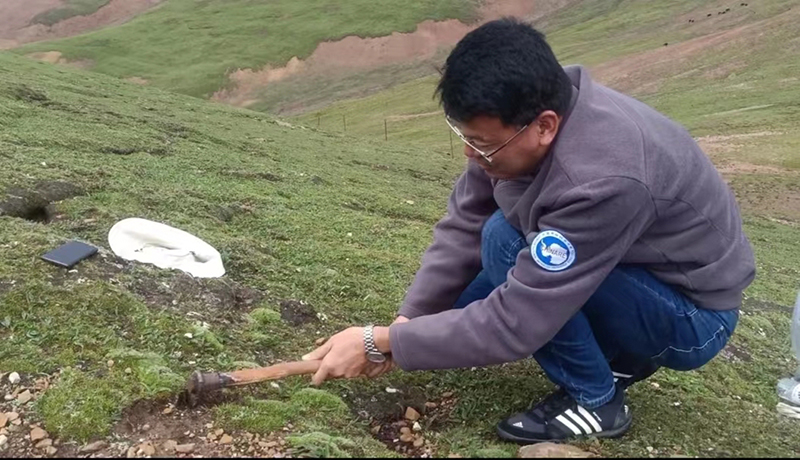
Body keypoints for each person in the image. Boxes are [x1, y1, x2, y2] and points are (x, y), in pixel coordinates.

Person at [302, 18, 756, 444]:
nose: (469, 156)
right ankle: (618, 357)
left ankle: (597, 400)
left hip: (692, 318)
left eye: (481, 144)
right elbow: (463, 223)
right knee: (447, 313)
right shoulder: (525, 119)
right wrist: (407, 324)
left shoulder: (603, 177)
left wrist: (378, 341)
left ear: (544, 126)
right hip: (629, 269)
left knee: (504, 240)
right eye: (463, 137)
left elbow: (515, 322)